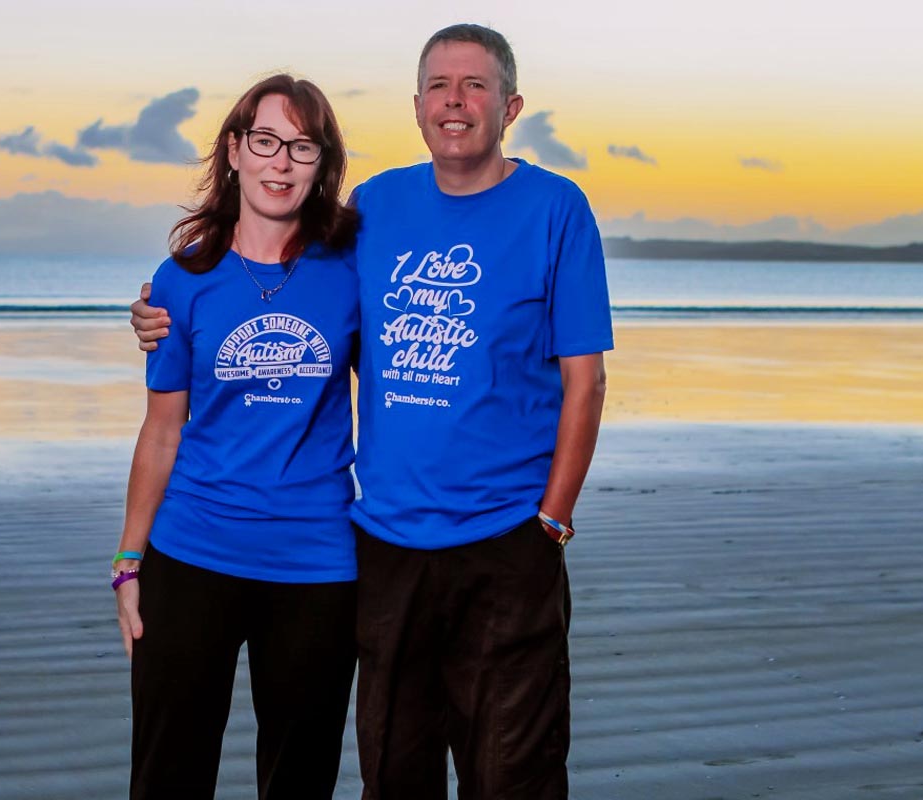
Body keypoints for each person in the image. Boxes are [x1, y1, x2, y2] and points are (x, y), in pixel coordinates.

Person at [131, 24, 612, 800]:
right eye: (439, 86)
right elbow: (290, 303)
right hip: (370, 546)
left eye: (475, 85)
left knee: (505, 773)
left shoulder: (550, 209)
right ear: (417, 106)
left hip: (484, 542)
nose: (455, 102)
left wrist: (552, 522)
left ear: (511, 105)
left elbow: (585, 382)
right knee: (390, 771)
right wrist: (163, 312)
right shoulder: (373, 210)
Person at [112, 73, 361, 800]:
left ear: (322, 164)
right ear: (233, 150)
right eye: (266, 141)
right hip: (192, 554)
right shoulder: (183, 279)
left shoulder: (353, 273)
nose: (281, 162)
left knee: (300, 783)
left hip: (317, 565)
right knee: (167, 779)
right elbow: (162, 432)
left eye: (302, 147)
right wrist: (128, 561)